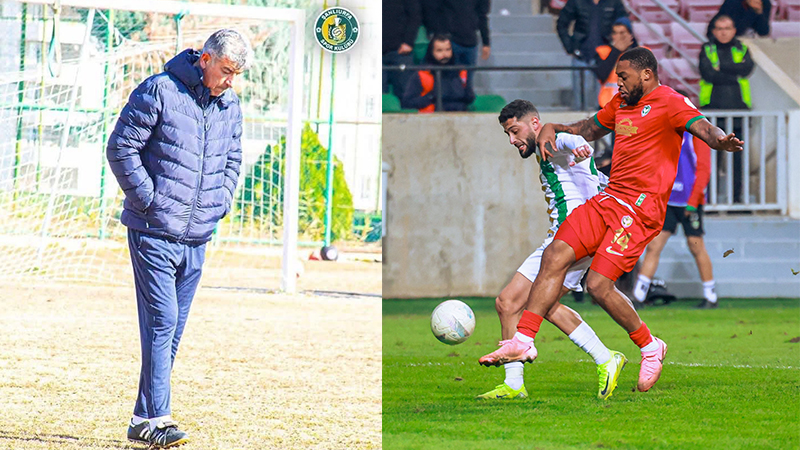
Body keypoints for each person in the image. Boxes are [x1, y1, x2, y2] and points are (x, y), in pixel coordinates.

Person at [479, 48, 743, 393]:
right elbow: (586, 128)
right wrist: (552, 127)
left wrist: (720, 141)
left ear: (646, 75)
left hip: (640, 210)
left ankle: (650, 347)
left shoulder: (670, 101)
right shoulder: (621, 105)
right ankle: (524, 339)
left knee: (598, 286)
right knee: (555, 253)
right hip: (609, 199)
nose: (618, 83)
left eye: (623, 77)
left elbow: (703, 127)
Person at [107, 29, 250, 448]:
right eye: (225, 71)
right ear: (205, 59)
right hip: (153, 231)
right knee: (162, 322)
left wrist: (221, 201)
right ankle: (160, 420)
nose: (230, 81)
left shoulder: (231, 105)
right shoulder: (159, 90)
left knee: (171, 330)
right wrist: (148, 200)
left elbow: (233, 158)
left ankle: (141, 419)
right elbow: (121, 148)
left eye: (236, 74)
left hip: (198, 237)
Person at [478, 100, 627, 401]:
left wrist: (580, 145)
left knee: (508, 302)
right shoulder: (547, 152)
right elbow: (597, 180)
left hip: (569, 239)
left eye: (515, 131)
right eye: (508, 134)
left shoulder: (549, 142)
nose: (512, 140)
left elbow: (567, 139)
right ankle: (605, 358)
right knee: (542, 306)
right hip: (579, 239)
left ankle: (514, 383)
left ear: (535, 124)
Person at [634, 90, 718, 309]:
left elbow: (704, 169)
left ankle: (711, 296)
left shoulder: (699, 132)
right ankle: (639, 295)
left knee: (695, 245)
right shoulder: (666, 130)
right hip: (668, 200)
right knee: (654, 245)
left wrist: (694, 200)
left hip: (690, 200)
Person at [699, 14, 754, 204]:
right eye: (720, 28)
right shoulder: (707, 49)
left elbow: (748, 68)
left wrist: (721, 68)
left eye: (727, 28)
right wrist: (734, 72)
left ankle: (736, 201)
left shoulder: (742, 48)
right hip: (713, 113)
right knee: (712, 160)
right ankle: (710, 199)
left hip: (739, 112)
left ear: (734, 30)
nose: (724, 32)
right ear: (713, 31)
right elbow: (707, 74)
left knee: (738, 161)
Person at [556, 0, 627, 110]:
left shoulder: (613, 2)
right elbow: (562, 24)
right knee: (580, 103)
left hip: (605, 60)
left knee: (603, 102)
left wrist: (615, 49)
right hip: (582, 56)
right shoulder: (576, 2)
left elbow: (624, 24)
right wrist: (571, 47)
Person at [401, 35, 475, 113]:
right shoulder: (422, 74)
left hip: (460, 117)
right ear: (431, 52)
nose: (444, 54)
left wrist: (468, 95)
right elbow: (407, 102)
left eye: (448, 50)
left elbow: (470, 97)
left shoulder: (461, 72)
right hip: (432, 119)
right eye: (439, 50)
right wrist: (430, 97)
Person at [437, 0, 491, 90]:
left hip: (470, 42)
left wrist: (486, 42)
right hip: (451, 40)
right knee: (449, 80)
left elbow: (482, 16)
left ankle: (466, 100)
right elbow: (438, 11)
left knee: (467, 82)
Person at [593, 17, 638, 109]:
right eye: (615, 33)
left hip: (633, 106)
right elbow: (601, 75)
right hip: (608, 105)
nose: (619, 36)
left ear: (630, 35)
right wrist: (616, 51)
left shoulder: (641, 52)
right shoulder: (603, 52)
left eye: (622, 33)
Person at [382, 0, 422, 99]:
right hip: (371, 53)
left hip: (400, 51)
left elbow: (415, 16)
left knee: (406, 94)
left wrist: (408, 42)